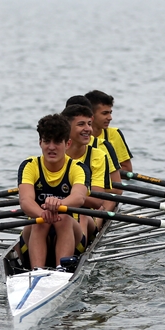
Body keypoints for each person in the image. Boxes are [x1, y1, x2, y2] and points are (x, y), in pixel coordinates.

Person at [17, 114, 88, 271]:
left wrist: (59, 204)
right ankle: (37, 272)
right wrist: (42, 214)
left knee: (62, 217)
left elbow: (79, 197)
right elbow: (26, 201)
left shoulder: (78, 168)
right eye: (47, 141)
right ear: (40, 142)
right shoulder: (30, 165)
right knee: (40, 220)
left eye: (57, 142)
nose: (51, 147)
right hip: (36, 231)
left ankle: (61, 269)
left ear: (67, 144)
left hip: (73, 236)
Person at [62, 101, 117, 237]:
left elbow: (97, 200)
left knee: (82, 214)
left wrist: (61, 196)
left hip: (85, 216)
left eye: (89, 124)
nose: (88, 129)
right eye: (81, 124)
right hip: (56, 214)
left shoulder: (99, 154)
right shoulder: (54, 153)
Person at [83, 89, 134, 173]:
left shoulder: (114, 134)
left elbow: (127, 170)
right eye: (105, 113)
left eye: (110, 113)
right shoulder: (77, 136)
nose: (110, 118)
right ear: (90, 115)